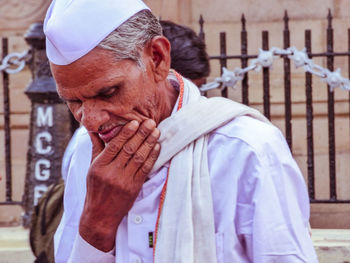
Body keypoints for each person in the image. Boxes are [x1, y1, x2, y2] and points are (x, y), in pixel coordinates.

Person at [44, 0, 319, 262]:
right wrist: (97, 224)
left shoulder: (247, 150)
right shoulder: (86, 151)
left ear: (158, 58)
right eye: (74, 102)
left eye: (108, 92)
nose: (90, 120)